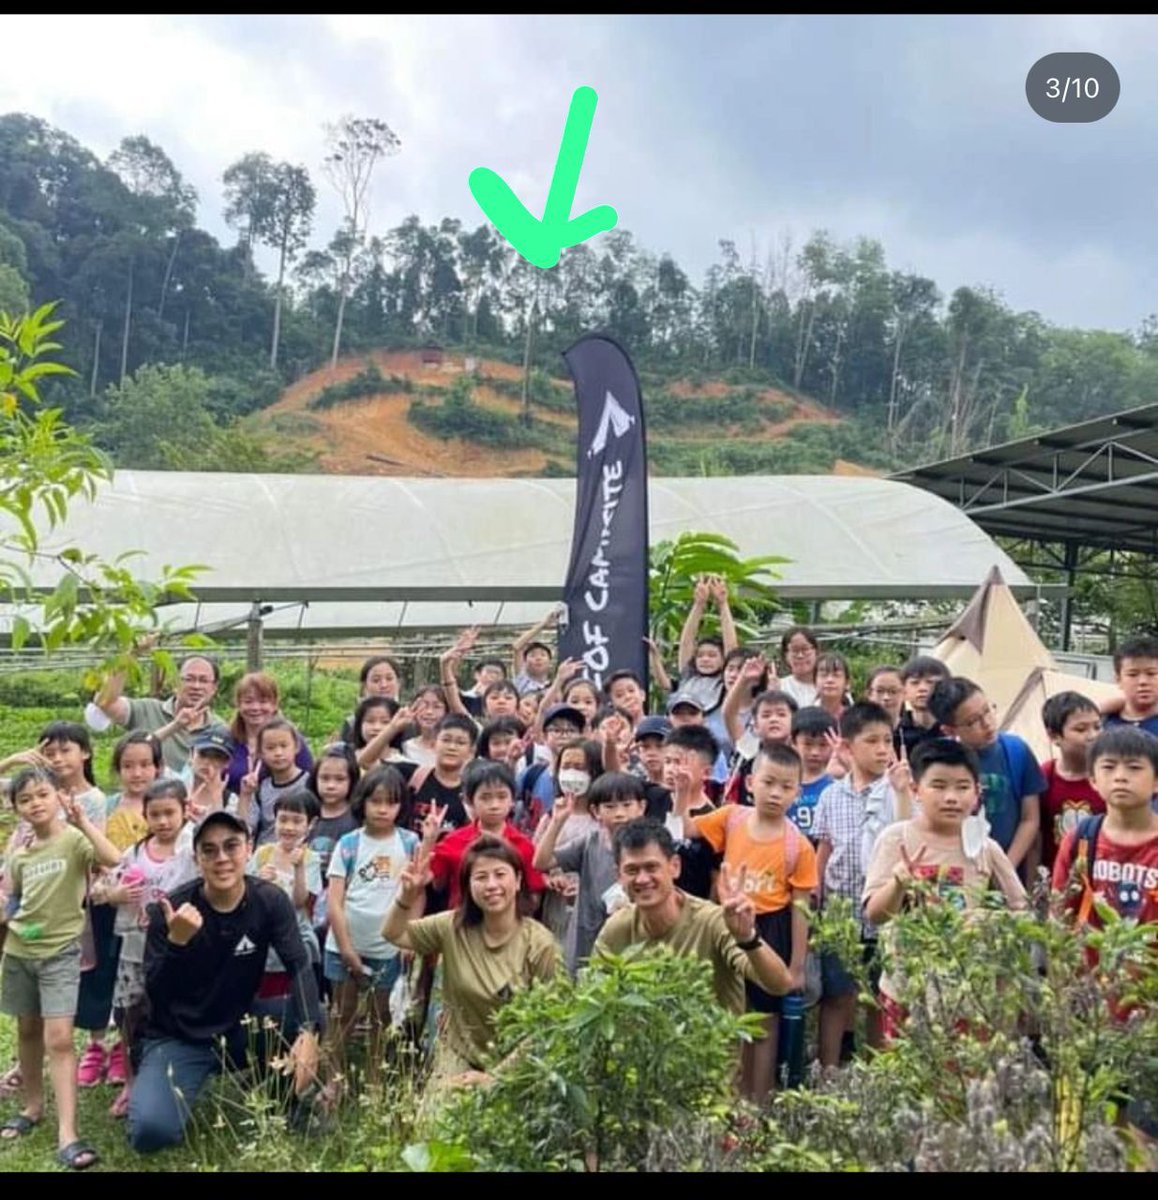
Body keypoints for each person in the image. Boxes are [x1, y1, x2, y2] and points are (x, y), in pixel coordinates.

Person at [126, 810, 323, 1154]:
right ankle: (156, 1078)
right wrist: (177, 944)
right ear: (196, 858)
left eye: (231, 846)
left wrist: (307, 1031)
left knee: (313, 1013)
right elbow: (155, 993)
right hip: (179, 1036)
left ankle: (277, 1098)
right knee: (150, 1134)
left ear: (248, 849)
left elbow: (299, 965)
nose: (222, 859)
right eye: (210, 850)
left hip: (239, 1025)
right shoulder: (170, 910)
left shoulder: (269, 900)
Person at [863, 739, 1028, 1039]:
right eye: (938, 786)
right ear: (915, 790)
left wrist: (989, 920)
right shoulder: (895, 839)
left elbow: (1024, 914)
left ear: (977, 793)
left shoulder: (986, 848)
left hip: (968, 991)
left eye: (962, 787)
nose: (951, 797)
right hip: (905, 985)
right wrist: (899, 882)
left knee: (962, 1078)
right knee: (909, 1074)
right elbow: (874, 915)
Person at [0, 765, 122, 1170]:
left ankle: (67, 1131)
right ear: (16, 809)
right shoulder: (20, 856)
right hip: (20, 952)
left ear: (57, 796)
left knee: (60, 1039)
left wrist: (83, 820)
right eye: (25, 799)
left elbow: (112, 857)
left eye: (41, 794)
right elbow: (16, 901)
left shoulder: (73, 841)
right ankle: (33, 1107)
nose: (35, 804)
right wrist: (9, 917)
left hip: (60, 955)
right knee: (28, 1029)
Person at [685, 743, 818, 1101]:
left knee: (766, 1019)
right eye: (768, 782)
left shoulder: (798, 846)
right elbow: (687, 829)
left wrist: (797, 966)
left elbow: (801, 909)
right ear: (749, 781)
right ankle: (733, 1099)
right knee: (733, 1013)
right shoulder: (732, 818)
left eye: (786, 786)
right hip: (728, 925)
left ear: (797, 793)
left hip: (771, 930)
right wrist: (684, 791)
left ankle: (759, 1103)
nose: (775, 793)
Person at [384, 835, 561, 1091]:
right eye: (480, 877)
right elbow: (394, 934)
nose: (491, 885)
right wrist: (407, 896)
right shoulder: (452, 926)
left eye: (500, 874)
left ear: (519, 880)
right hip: (459, 1053)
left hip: (519, 1063)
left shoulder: (540, 943)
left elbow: (550, 1022)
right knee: (439, 1123)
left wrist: (496, 1078)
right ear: (468, 885)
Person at [594, 821, 794, 1016]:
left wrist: (748, 938)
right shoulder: (616, 929)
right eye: (632, 870)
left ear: (674, 866)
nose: (642, 879)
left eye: (652, 867)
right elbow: (593, 994)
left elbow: (780, 985)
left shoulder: (714, 922)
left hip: (708, 1046)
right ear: (618, 875)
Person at [813, 701, 913, 1067]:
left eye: (887, 740)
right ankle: (827, 1071)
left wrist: (903, 794)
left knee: (878, 997)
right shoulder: (830, 794)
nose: (883, 749)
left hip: (885, 914)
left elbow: (908, 840)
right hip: (840, 912)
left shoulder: (898, 790)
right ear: (848, 747)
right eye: (872, 741)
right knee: (838, 995)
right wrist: (815, 899)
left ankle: (877, 1072)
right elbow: (823, 849)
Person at [106, 780, 198, 1119]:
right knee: (130, 1015)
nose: (162, 821)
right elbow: (107, 886)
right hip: (134, 948)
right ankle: (132, 1082)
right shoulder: (134, 853)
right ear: (144, 816)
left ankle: (173, 1077)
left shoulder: (192, 851)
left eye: (170, 813)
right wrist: (114, 895)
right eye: (154, 814)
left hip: (178, 949)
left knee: (171, 1010)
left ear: (185, 812)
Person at [324, 766, 420, 1076]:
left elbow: (417, 894)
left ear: (400, 806)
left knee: (383, 1017)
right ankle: (333, 1081)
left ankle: (376, 1081)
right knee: (342, 1015)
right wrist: (346, 948)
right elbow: (335, 902)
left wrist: (410, 937)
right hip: (343, 946)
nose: (382, 809)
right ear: (361, 802)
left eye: (390, 802)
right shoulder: (349, 844)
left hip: (388, 947)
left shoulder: (409, 843)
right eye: (375, 801)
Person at [534, 772, 648, 973]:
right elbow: (541, 862)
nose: (619, 813)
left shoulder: (650, 848)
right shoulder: (590, 843)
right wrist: (558, 821)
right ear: (596, 811)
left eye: (627, 805)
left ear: (641, 807)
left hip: (635, 938)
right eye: (610, 807)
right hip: (587, 938)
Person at [929, 677, 1044, 875]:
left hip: (1010, 866)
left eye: (988, 710)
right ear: (949, 729)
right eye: (973, 721)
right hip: (955, 871)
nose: (987, 723)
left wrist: (1005, 867)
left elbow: (1029, 818)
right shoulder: (939, 761)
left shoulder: (1016, 751)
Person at [248, 794, 323, 1033]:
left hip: (294, 941)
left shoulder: (310, 859)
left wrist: (298, 868)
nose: (289, 827)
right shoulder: (262, 854)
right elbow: (246, 893)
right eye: (283, 820)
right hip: (263, 941)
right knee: (262, 999)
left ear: (310, 824)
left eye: (297, 821)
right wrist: (259, 881)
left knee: (289, 1001)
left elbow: (300, 901)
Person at [426, 762, 545, 911]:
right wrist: (428, 840)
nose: (494, 805)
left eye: (502, 797)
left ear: (512, 800)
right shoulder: (452, 841)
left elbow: (534, 896)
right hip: (461, 924)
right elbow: (438, 885)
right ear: (470, 800)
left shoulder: (524, 845)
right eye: (485, 797)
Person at [91, 654, 227, 773]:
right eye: (189, 679)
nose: (196, 686)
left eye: (203, 680)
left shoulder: (220, 729)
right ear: (175, 683)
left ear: (214, 688)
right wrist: (132, 654)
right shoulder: (146, 709)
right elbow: (104, 702)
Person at [1038, 692, 1104, 875]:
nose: (1093, 736)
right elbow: (1035, 835)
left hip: (1098, 876)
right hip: (1057, 878)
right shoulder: (1045, 776)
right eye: (1081, 729)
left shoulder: (1107, 777)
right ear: (1054, 736)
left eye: (1098, 727)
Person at [223, 672, 313, 796]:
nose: (255, 707)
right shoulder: (226, 740)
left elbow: (309, 781)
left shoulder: (290, 740)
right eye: (248, 701)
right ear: (238, 704)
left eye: (263, 701)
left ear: (275, 704)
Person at [239, 717, 311, 847]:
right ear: (261, 753)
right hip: (265, 857)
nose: (278, 753)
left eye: (284, 746)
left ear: (296, 747)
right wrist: (245, 795)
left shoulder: (310, 784)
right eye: (270, 748)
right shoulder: (261, 789)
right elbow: (244, 828)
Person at [675, 574, 738, 715]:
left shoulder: (725, 680)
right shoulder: (688, 676)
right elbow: (686, 643)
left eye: (712, 655)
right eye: (700, 655)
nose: (705, 659)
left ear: (723, 660)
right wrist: (698, 604)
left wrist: (723, 604)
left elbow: (731, 647)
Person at [104, 732, 163, 851]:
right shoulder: (107, 807)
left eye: (145, 765)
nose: (137, 773)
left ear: (158, 767)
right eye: (127, 766)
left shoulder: (169, 804)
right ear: (118, 769)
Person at [788, 707, 838, 842]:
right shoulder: (785, 783)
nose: (815, 752)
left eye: (823, 745)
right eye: (808, 744)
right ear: (793, 742)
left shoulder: (837, 782)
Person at [336, 656, 403, 744]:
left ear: (399, 683)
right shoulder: (352, 723)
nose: (384, 685)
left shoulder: (410, 722)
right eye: (376, 680)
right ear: (364, 685)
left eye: (389, 679)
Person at [1101, 634, 1158, 736]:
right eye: (1133, 674)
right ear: (1118, 680)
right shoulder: (1101, 724)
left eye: (1151, 673)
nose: (1143, 682)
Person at [898, 655, 949, 756]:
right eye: (915, 683)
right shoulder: (897, 733)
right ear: (904, 691)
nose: (922, 688)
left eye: (930, 682)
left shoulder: (952, 731)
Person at [185, 730, 240, 820]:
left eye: (217, 757)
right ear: (191, 754)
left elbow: (224, 832)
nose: (207, 762)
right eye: (203, 754)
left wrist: (217, 799)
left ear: (227, 763)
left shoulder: (231, 800)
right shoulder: (173, 786)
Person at [512, 608, 560, 696]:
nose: (538, 658)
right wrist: (544, 624)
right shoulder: (522, 680)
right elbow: (517, 646)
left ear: (550, 661)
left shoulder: (555, 686)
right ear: (525, 662)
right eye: (532, 655)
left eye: (543, 655)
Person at [865, 666, 906, 756]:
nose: (886, 697)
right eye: (880, 691)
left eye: (893, 691)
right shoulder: (859, 732)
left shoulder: (913, 733)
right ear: (869, 694)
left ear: (904, 694)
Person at [779, 626, 820, 709]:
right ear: (785, 655)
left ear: (816, 651)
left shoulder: (829, 685)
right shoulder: (779, 687)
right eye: (794, 650)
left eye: (805, 649)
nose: (800, 655)